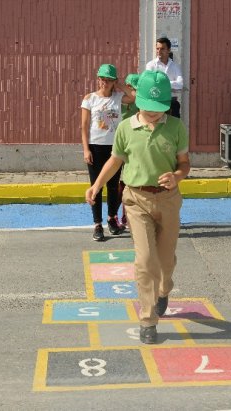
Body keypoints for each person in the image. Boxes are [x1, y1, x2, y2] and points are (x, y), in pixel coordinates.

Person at [85, 70, 190, 345]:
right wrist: (96, 186)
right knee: (145, 261)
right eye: (148, 107)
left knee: (165, 263)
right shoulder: (125, 128)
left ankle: (165, 289)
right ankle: (148, 319)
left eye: (159, 108)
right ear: (137, 100)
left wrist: (176, 176)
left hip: (167, 200)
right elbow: (115, 161)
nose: (154, 113)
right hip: (136, 199)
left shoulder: (176, 127)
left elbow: (184, 163)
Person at [81, 63, 135, 242]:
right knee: (96, 186)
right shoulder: (90, 99)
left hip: (114, 147)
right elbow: (84, 126)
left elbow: (134, 97)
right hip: (95, 146)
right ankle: (97, 224)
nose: (105, 83)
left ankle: (112, 218)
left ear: (114, 81)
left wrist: (119, 86)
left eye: (109, 80)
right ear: (97, 79)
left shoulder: (119, 97)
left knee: (113, 186)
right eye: (102, 79)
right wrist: (86, 149)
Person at [118, 73, 140, 229]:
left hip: (133, 146)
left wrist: (122, 86)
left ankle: (126, 216)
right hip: (118, 144)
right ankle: (117, 214)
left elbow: (134, 96)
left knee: (129, 183)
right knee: (119, 185)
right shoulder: (118, 99)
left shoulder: (138, 102)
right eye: (130, 86)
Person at [145, 37, 184, 118]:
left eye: (162, 49)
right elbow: (150, 84)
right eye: (157, 48)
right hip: (155, 103)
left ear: (169, 50)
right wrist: (171, 85)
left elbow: (180, 85)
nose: (159, 51)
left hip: (171, 103)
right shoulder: (150, 65)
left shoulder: (175, 66)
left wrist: (161, 83)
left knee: (173, 128)